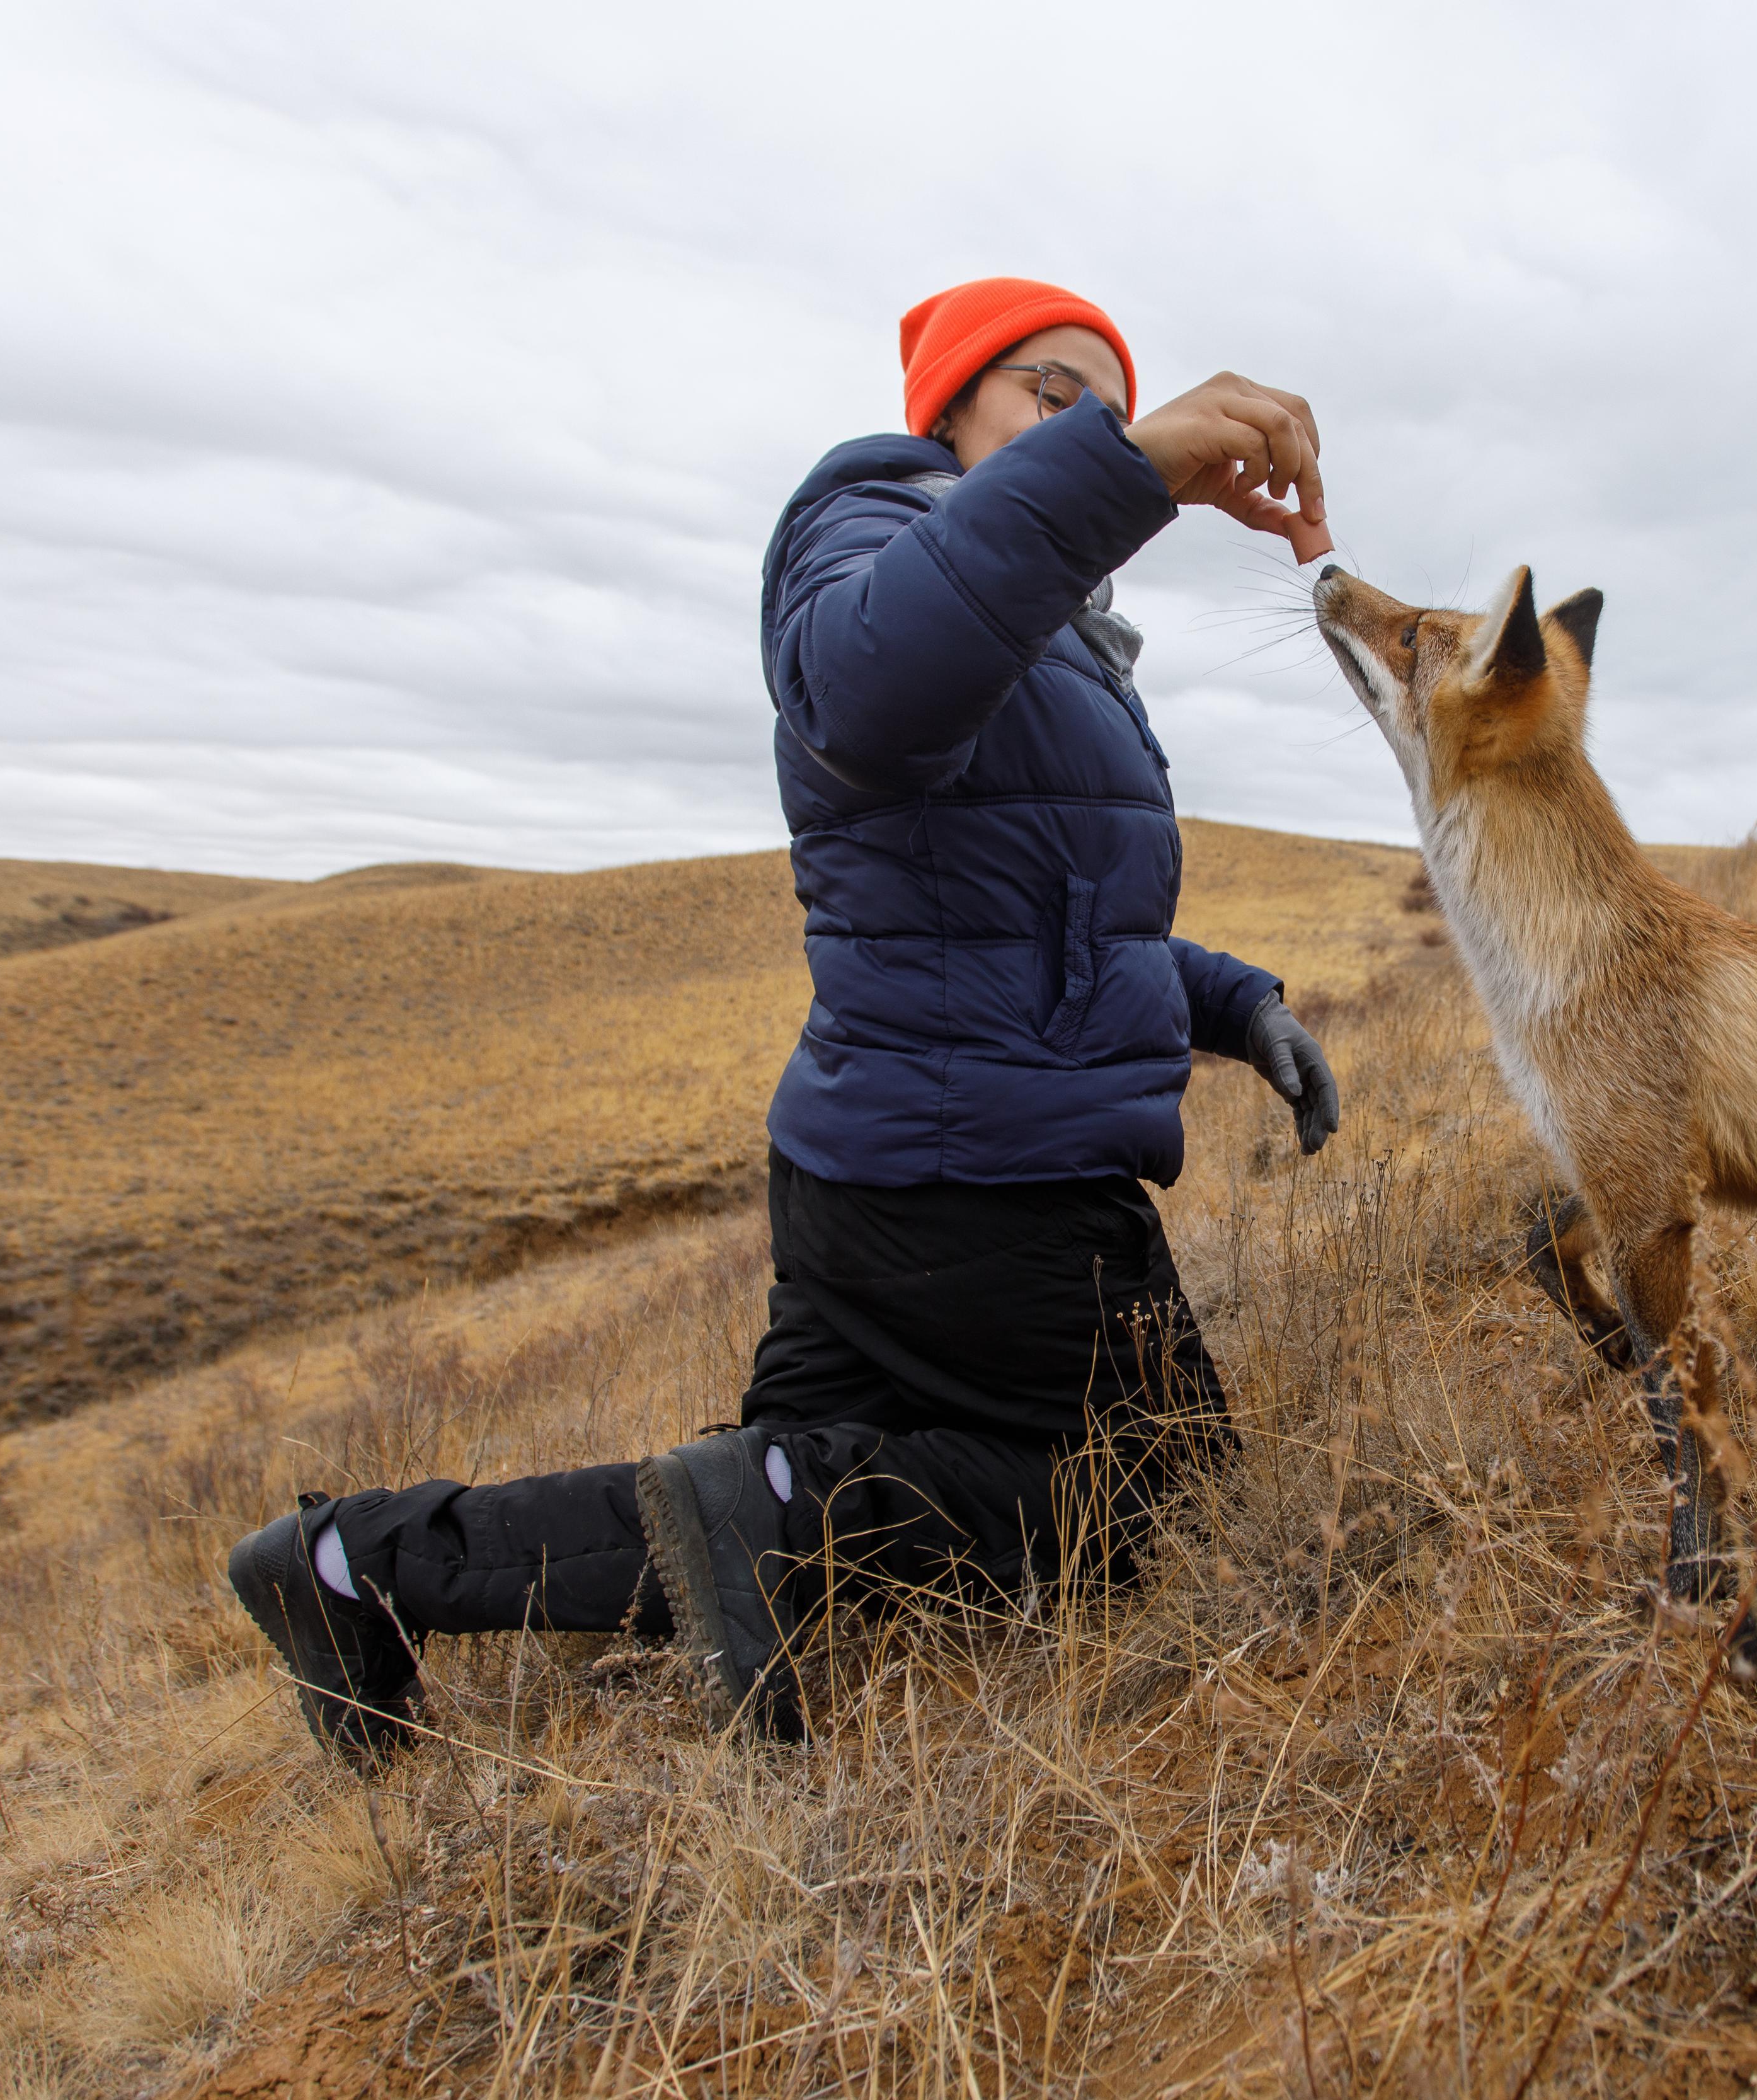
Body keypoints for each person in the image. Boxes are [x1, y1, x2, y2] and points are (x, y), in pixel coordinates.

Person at [229, 277, 1342, 1762]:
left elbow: (1054, 911)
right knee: (1152, 1506)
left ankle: (345, 1562)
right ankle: (782, 1506)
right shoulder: (868, 529)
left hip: (883, 1174)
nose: (1086, 428)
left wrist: (1233, 1001)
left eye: (1111, 409)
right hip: (986, 1184)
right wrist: (1127, 467)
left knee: (734, 1512)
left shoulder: (1055, 637)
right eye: (1048, 396)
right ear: (945, 410)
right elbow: (866, 686)